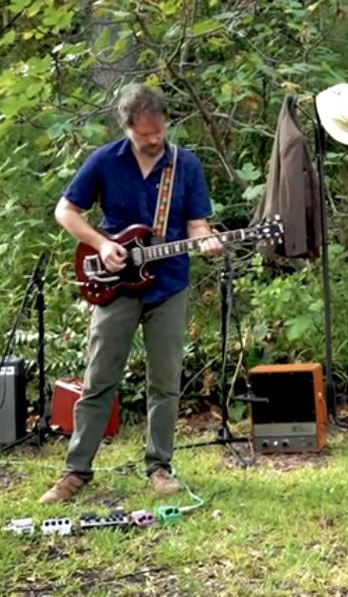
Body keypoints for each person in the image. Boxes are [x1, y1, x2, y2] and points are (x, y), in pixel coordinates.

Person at [40, 84, 222, 504]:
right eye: (145, 134)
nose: (154, 140)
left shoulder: (186, 165)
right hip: (114, 285)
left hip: (170, 284)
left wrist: (207, 240)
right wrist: (102, 244)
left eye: (159, 131)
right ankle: (76, 471)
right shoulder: (105, 160)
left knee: (165, 381)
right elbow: (65, 211)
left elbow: (197, 224)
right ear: (128, 128)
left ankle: (160, 466)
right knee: (99, 379)